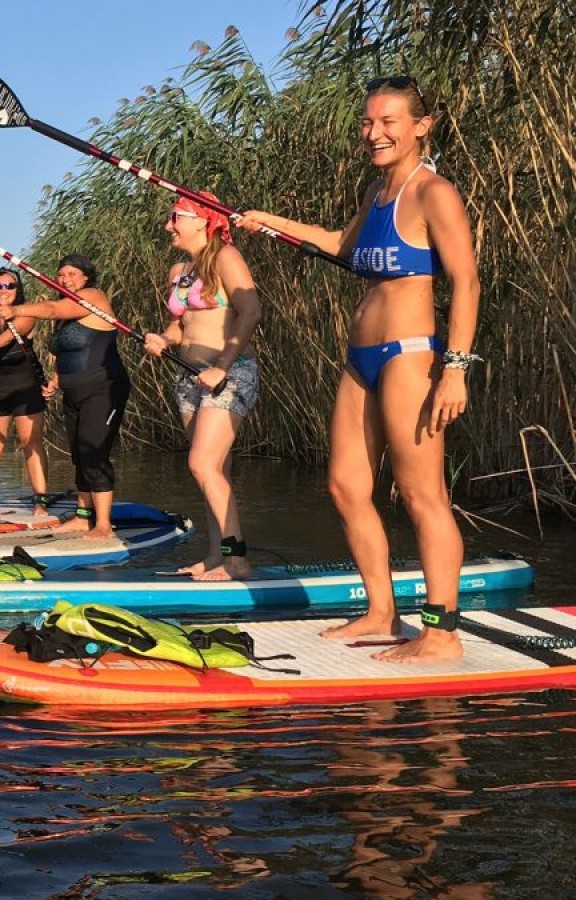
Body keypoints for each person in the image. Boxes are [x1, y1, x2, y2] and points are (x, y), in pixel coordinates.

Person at [238, 76, 479, 663]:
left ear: (421, 126)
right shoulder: (377, 193)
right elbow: (339, 244)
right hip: (360, 359)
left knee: (424, 496)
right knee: (346, 486)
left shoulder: (433, 192)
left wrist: (455, 368)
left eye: (389, 121)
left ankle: (442, 633)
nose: (375, 133)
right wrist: (267, 219)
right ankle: (380, 612)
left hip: (411, 355)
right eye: (369, 123)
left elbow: (467, 280)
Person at [144, 192, 263, 580]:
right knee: (212, 471)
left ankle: (237, 559)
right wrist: (163, 339)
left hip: (228, 373)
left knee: (202, 464)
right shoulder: (180, 269)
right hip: (188, 377)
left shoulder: (226, 257)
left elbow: (251, 311)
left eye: (175, 217)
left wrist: (222, 366)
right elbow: (180, 325)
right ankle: (217, 555)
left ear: (200, 220)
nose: (168, 226)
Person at [0, 255, 129, 538]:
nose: (66, 279)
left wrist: (18, 308)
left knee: (94, 452)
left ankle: (104, 524)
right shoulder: (66, 316)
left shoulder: (92, 296)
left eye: (72, 274)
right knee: (79, 455)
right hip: (74, 390)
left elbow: (53, 309)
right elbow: (64, 352)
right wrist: (56, 380)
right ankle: (84, 516)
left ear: (85, 278)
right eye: (61, 274)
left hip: (104, 387)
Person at [0, 267, 51, 516]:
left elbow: (18, 330)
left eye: (10, 286)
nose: (4, 291)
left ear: (18, 289)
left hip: (25, 384)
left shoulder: (26, 313)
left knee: (31, 441)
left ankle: (41, 502)